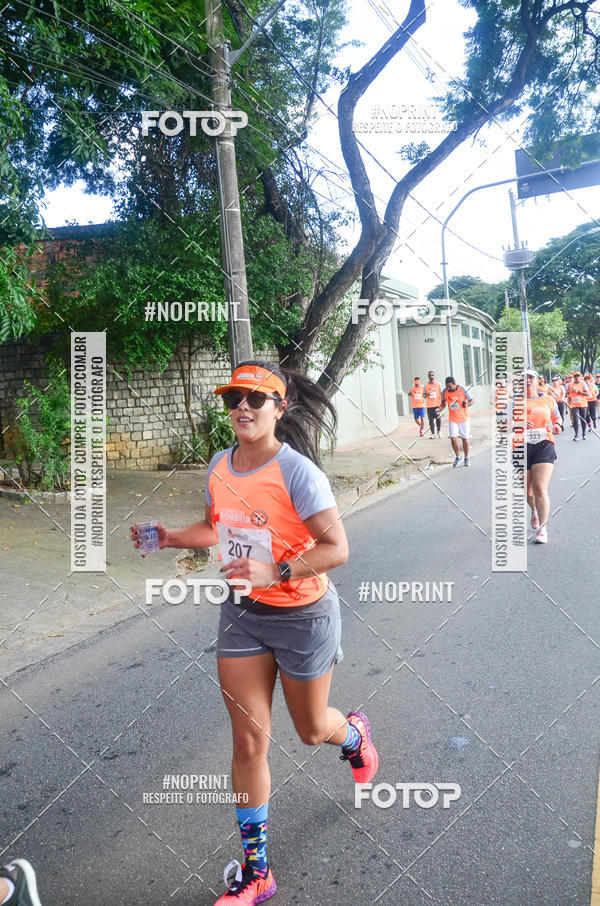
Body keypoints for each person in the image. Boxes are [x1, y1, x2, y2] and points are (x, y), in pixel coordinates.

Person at [131, 361, 378, 906]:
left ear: (278, 408)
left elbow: (337, 549)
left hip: (303, 615)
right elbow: (216, 529)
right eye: (233, 398)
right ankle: (256, 871)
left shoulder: (299, 474)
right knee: (247, 739)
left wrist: (280, 571)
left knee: (312, 730)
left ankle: (355, 736)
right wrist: (171, 537)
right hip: (243, 611)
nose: (242, 407)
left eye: (255, 399)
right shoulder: (220, 465)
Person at [511, 369, 562, 544]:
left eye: (531, 377)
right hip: (520, 447)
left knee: (540, 489)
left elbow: (557, 418)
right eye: (524, 378)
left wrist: (558, 426)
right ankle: (534, 511)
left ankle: (542, 528)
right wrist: (517, 423)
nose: (527, 381)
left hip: (544, 444)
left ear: (537, 380)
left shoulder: (548, 399)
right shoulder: (513, 402)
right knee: (528, 491)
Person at [440, 376, 474, 467]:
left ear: (455, 384)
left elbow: (472, 400)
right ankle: (458, 457)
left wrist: (467, 404)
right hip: (452, 419)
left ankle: (467, 458)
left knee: (465, 439)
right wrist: (439, 409)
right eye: (447, 386)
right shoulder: (444, 392)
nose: (449, 388)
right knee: (453, 438)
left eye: (450, 386)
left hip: (464, 419)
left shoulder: (463, 388)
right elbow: (443, 403)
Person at [567, 371, 589, 440]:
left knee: (583, 419)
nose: (577, 377)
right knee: (575, 420)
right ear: (573, 377)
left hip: (583, 404)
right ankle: (576, 434)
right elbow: (568, 394)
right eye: (575, 376)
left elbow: (587, 393)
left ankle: (584, 434)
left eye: (578, 376)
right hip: (574, 405)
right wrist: (569, 403)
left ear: (580, 376)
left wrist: (579, 392)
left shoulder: (583, 384)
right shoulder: (570, 384)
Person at [424, 370, 443, 438]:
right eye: (429, 375)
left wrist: (442, 404)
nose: (431, 376)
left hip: (437, 405)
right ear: (428, 376)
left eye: (432, 375)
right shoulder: (426, 386)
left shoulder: (438, 384)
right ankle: (432, 434)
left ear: (434, 376)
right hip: (429, 406)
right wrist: (427, 394)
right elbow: (423, 396)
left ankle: (439, 431)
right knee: (431, 420)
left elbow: (442, 393)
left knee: (438, 419)